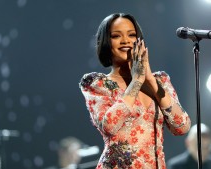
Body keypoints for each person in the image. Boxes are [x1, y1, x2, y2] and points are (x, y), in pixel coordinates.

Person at [79, 13, 191, 169]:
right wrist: (136, 81)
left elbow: (182, 127)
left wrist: (150, 80)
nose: (125, 40)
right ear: (106, 42)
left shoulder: (160, 81)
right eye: (116, 36)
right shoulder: (98, 84)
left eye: (131, 35)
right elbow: (109, 126)